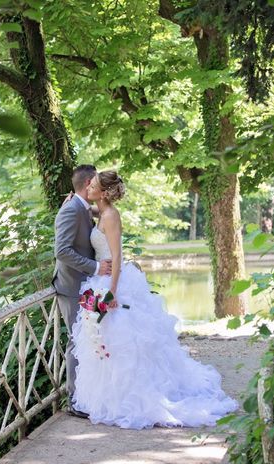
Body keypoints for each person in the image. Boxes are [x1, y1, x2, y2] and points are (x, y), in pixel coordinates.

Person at [71, 170, 238, 429]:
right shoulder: (103, 212)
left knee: (122, 341)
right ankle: (111, 399)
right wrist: (76, 204)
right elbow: (95, 215)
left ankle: (131, 399)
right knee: (106, 342)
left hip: (112, 283)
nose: (88, 188)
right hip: (102, 281)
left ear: (103, 193)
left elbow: (117, 257)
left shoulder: (111, 216)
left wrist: (112, 292)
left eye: (92, 185)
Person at [52, 165, 112, 417]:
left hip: (87, 286)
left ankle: (91, 395)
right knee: (77, 340)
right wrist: (96, 267)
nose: (99, 185)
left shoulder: (82, 207)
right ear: (88, 182)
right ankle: (75, 401)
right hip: (72, 287)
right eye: (96, 181)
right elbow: (62, 251)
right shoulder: (71, 209)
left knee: (92, 339)